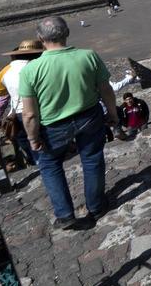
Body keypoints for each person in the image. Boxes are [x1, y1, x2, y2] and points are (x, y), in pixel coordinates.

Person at [19, 16, 120, 229]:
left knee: (49, 165)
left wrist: (32, 137)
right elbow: (106, 90)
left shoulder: (30, 70)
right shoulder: (88, 56)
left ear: (40, 38)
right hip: (89, 116)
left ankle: (65, 214)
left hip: (53, 125)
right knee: (92, 159)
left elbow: (29, 114)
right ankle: (96, 206)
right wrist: (113, 114)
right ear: (67, 33)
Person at [0, 38, 43, 165]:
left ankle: (35, 161)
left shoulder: (6, 70)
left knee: (25, 140)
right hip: (41, 109)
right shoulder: (40, 65)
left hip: (18, 113)